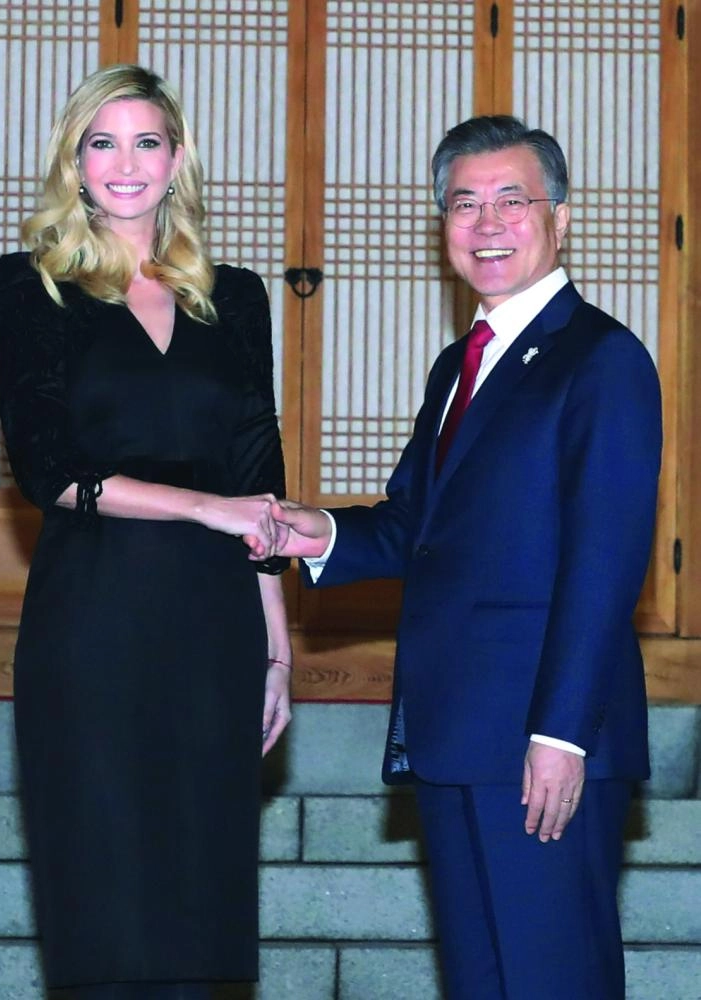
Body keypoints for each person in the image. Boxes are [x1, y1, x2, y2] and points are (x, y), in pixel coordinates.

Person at [267, 116, 662, 999]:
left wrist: (559, 735)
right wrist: (316, 533)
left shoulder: (600, 359)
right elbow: (417, 524)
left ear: (559, 218)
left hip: (543, 743)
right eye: (463, 203)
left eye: (511, 200)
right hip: (456, 735)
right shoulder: (459, 365)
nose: (486, 223)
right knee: (483, 983)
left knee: (552, 980)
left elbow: (604, 565)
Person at [0, 64, 292, 1000]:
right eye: (102, 141)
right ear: (74, 162)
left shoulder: (232, 296)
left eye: (146, 140)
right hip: (95, 623)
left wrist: (276, 645)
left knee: (201, 918)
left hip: (215, 630)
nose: (126, 163)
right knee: (105, 913)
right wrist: (204, 508)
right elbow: (51, 472)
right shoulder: (29, 284)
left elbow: (258, 476)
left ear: (177, 158)